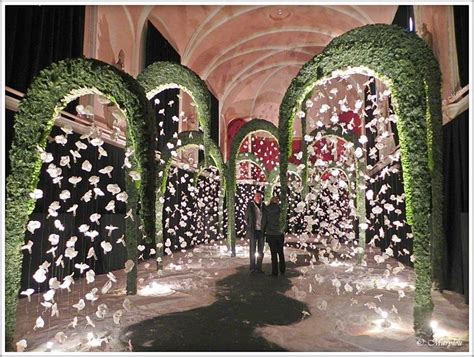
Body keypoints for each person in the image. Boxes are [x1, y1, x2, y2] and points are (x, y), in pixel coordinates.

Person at [262, 195, 286, 276]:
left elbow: (264, 221)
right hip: (279, 234)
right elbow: (284, 222)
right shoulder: (280, 210)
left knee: (273, 253)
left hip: (270, 234)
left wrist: (263, 231)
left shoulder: (266, 209)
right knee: (280, 252)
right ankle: (282, 269)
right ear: (277, 201)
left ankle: (274, 271)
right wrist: (282, 230)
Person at [245, 191, 265, 273]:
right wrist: (250, 226)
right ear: (254, 197)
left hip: (261, 231)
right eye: (257, 196)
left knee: (260, 250)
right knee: (252, 250)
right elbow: (246, 217)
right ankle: (252, 267)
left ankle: (259, 267)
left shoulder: (263, 206)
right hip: (253, 230)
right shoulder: (250, 205)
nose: (258, 198)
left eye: (259, 196)